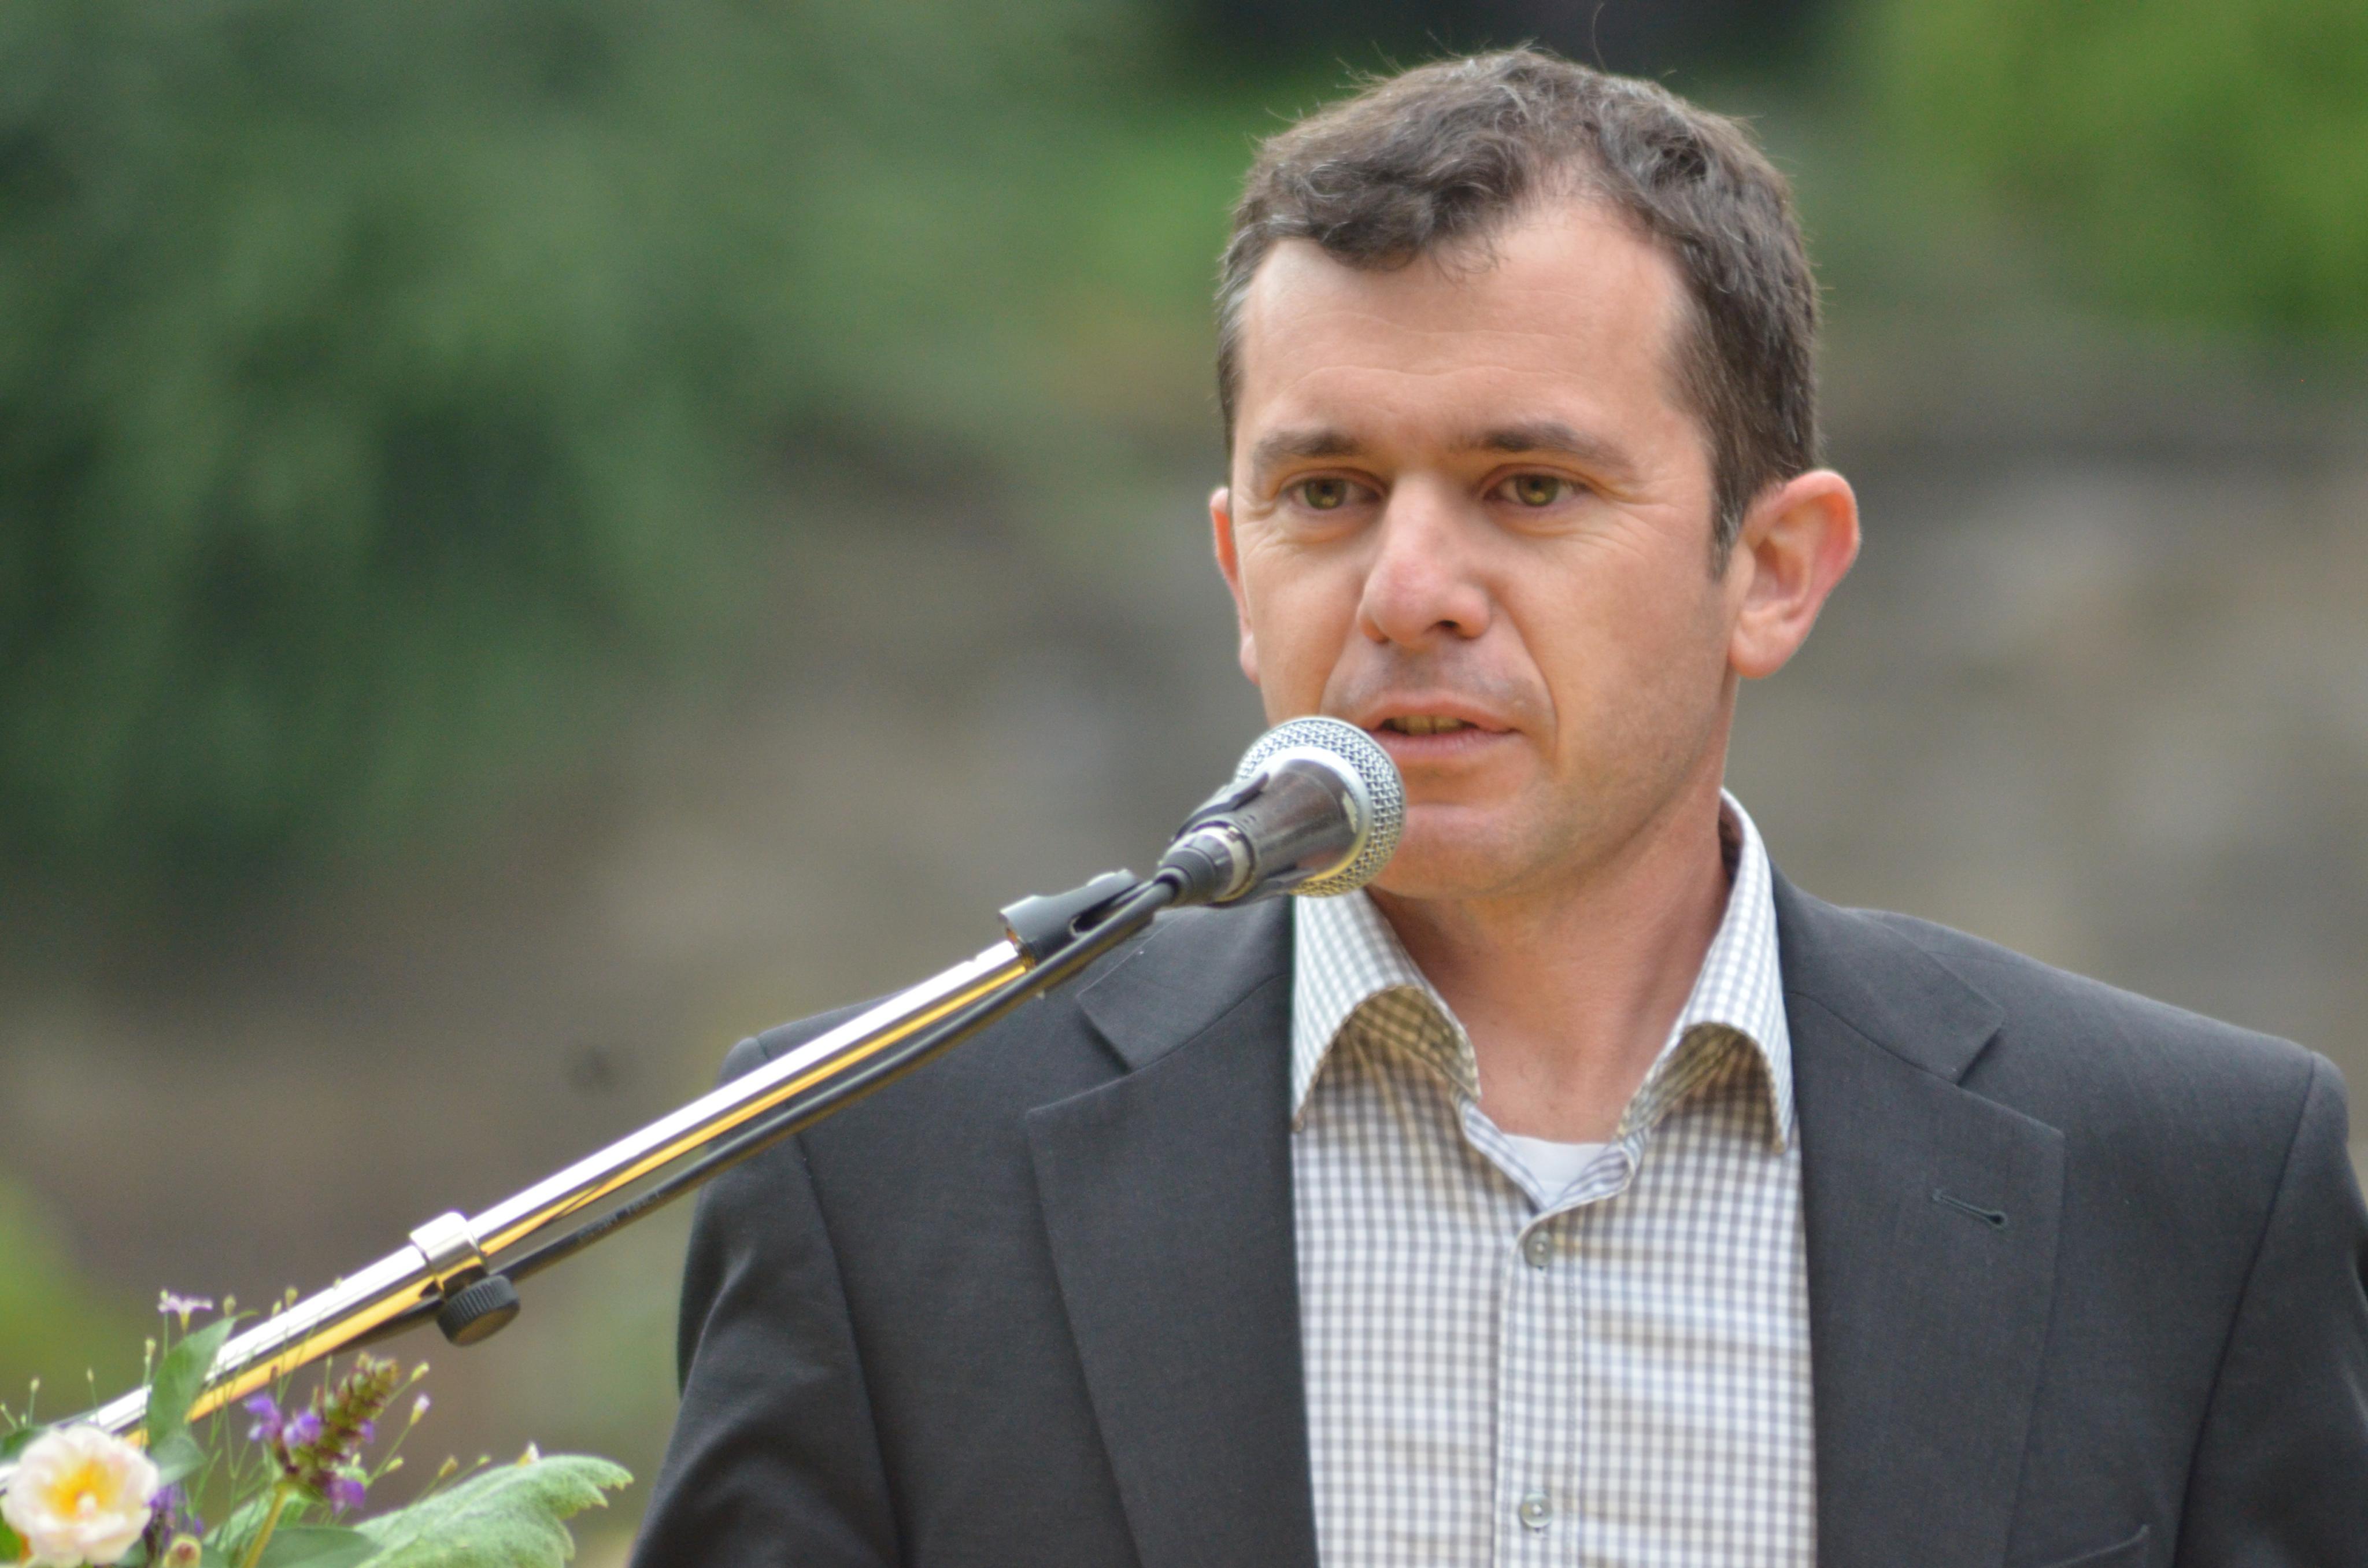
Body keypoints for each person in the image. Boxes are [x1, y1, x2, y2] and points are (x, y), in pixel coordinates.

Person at [630, 49, 2368, 1568]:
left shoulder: (2194, 1183)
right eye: (1327, 491)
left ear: (1774, 569)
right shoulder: (865, 1163)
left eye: (1528, 486)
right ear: (1237, 567)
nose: (1408, 591)